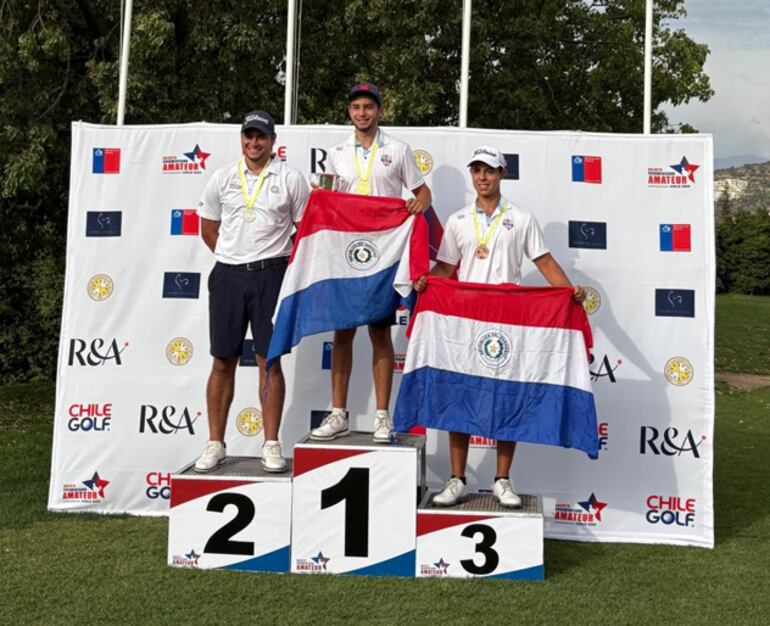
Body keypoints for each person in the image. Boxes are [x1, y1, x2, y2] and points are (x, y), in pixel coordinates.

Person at [413, 145, 587, 507]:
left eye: (489, 170)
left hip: (508, 322)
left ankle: (502, 480)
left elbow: (544, 262)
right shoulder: (459, 220)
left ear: (502, 174)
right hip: (465, 323)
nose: (482, 177)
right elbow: (445, 268)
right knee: (459, 392)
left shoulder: (521, 218)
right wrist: (427, 283)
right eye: (476, 170)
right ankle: (457, 478)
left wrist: (569, 292)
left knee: (509, 394)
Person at [310, 82, 433, 443]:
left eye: (368, 107)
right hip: (346, 252)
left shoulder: (397, 149)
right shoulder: (336, 153)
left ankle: (382, 415)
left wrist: (419, 204)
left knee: (380, 333)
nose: (361, 113)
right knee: (342, 331)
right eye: (356, 107)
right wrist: (320, 197)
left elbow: (422, 192)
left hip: (382, 253)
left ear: (379, 110)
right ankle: (338, 414)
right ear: (349, 112)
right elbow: (330, 195)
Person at [194, 111, 309, 472]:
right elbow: (208, 228)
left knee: (268, 360)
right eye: (248, 136)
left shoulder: (291, 178)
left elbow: (304, 231)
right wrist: (235, 258)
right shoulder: (223, 177)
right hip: (228, 275)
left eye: (261, 137)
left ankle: (271, 443)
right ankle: (215, 443)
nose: (254, 143)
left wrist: (266, 261)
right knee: (222, 360)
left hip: (271, 275)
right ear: (241, 139)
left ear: (273, 141)